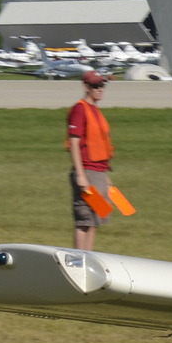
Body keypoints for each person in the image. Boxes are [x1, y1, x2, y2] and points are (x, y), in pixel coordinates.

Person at [67, 71, 114, 249]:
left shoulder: (95, 110)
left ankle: (89, 257)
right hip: (86, 171)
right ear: (86, 87)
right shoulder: (80, 109)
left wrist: (106, 177)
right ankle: (79, 260)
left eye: (102, 85)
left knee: (95, 220)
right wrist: (80, 175)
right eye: (96, 86)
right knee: (84, 220)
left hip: (98, 171)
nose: (100, 89)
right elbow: (74, 142)